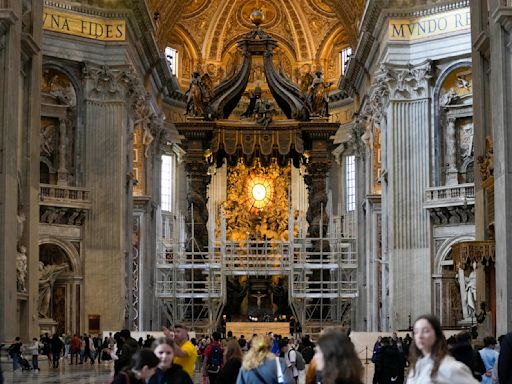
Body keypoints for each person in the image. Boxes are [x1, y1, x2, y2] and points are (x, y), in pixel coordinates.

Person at [407, 314, 479, 384]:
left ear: (437, 334)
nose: (420, 335)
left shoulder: (451, 368)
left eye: (425, 331)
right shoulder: (416, 367)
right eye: (416, 332)